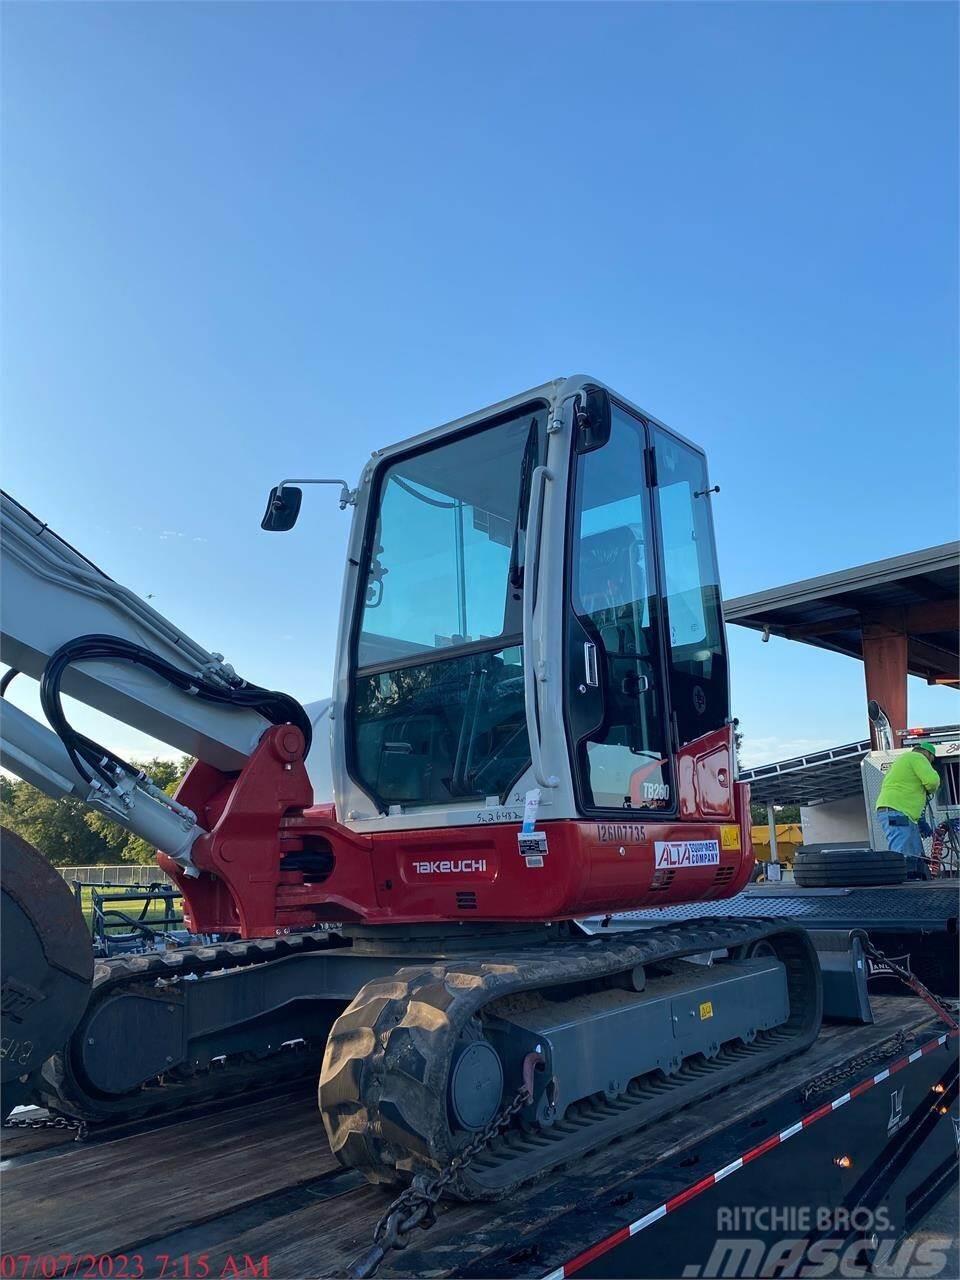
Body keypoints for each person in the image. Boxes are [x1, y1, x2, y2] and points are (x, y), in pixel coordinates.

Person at [875, 740, 940, 880]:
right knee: (902, 851)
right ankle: (901, 885)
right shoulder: (917, 757)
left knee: (915, 851)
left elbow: (915, 805)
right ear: (928, 754)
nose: (930, 763)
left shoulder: (904, 761)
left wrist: (923, 825)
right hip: (897, 811)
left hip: (897, 812)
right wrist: (930, 790)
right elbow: (932, 781)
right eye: (932, 760)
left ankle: (915, 881)